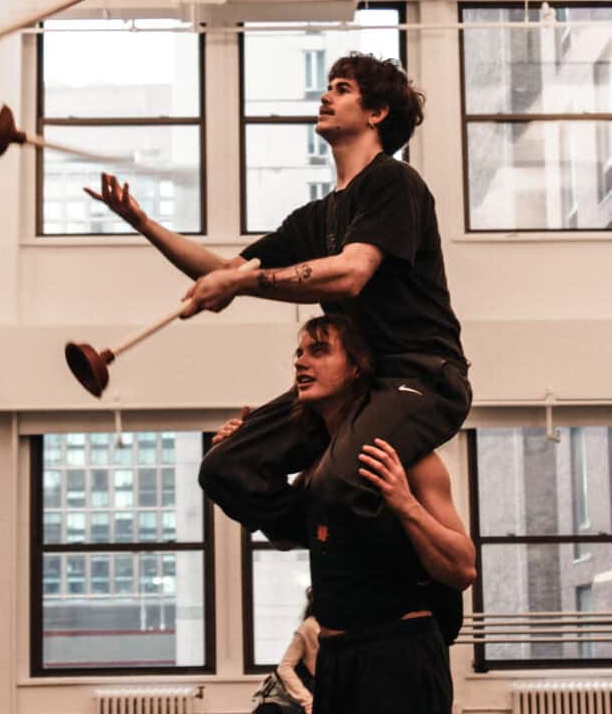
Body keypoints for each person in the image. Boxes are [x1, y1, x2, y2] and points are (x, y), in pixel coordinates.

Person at [86, 52, 471, 536]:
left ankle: (370, 551)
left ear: (376, 114)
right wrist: (144, 224)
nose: (325, 95)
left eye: (343, 88)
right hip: (355, 380)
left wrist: (242, 283)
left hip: (420, 376)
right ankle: (310, 534)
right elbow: (225, 271)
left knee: (337, 481)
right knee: (226, 465)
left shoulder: (394, 182)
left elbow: (352, 273)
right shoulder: (312, 219)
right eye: (328, 85)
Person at [218, 312, 476, 714]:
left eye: (318, 351)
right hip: (336, 663)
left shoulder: (411, 458)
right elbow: (294, 536)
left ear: (357, 367)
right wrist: (241, 462)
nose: (300, 362)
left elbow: (462, 565)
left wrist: (403, 503)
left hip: (399, 655)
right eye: (298, 353)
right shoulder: (319, 469)